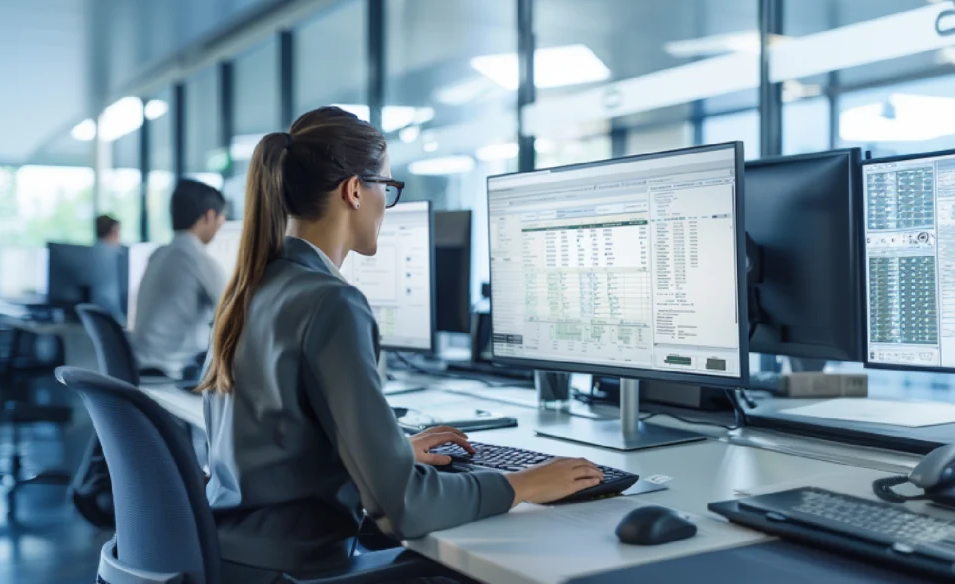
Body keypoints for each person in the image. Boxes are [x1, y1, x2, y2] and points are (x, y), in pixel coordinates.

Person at [199, 106, 604, 583]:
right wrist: (520, 483)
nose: (385, 205)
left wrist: (390, 453)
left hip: (235, 556)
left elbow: (277, 446)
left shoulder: (253, 286)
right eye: (386, 188)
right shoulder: (330, 302)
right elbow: (403, 507)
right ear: (354, 190)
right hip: (294, 570)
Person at [130, 179, 227, 379]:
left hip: (139, 368)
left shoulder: (159, 254)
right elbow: (232, 316)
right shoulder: (198, 259)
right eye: (221, 216)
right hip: (171, 374)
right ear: (209, 216)